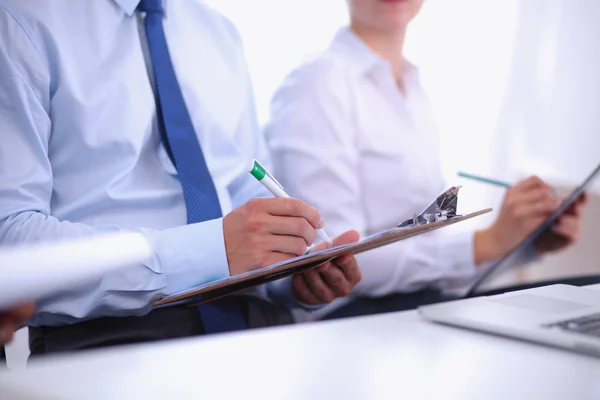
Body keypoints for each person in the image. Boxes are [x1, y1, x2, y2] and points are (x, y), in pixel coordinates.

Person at [0, 0, 362, 356]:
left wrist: (292, 274)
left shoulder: (219, 31)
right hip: (115, 339)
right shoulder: (18, 22)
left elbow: (248, 190)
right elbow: (10, 240)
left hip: (261, 327)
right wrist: (210, 251)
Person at [264, 0, 589, 320]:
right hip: (353, 319)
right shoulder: (318, 82)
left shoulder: (414, 92)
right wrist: (486, 242)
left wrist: (524, 243)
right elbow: (337, 255)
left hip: (414, 306)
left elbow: (429, 263)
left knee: (582, 294)